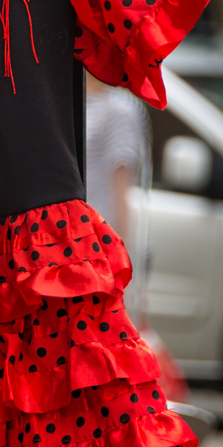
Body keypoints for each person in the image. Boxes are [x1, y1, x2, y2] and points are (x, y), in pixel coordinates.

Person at [86, 72, 151, 320]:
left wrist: (119, 261)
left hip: (102, 246)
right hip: (82, 244)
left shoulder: (119, 110)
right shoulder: (72, 103)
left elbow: (122, 191)